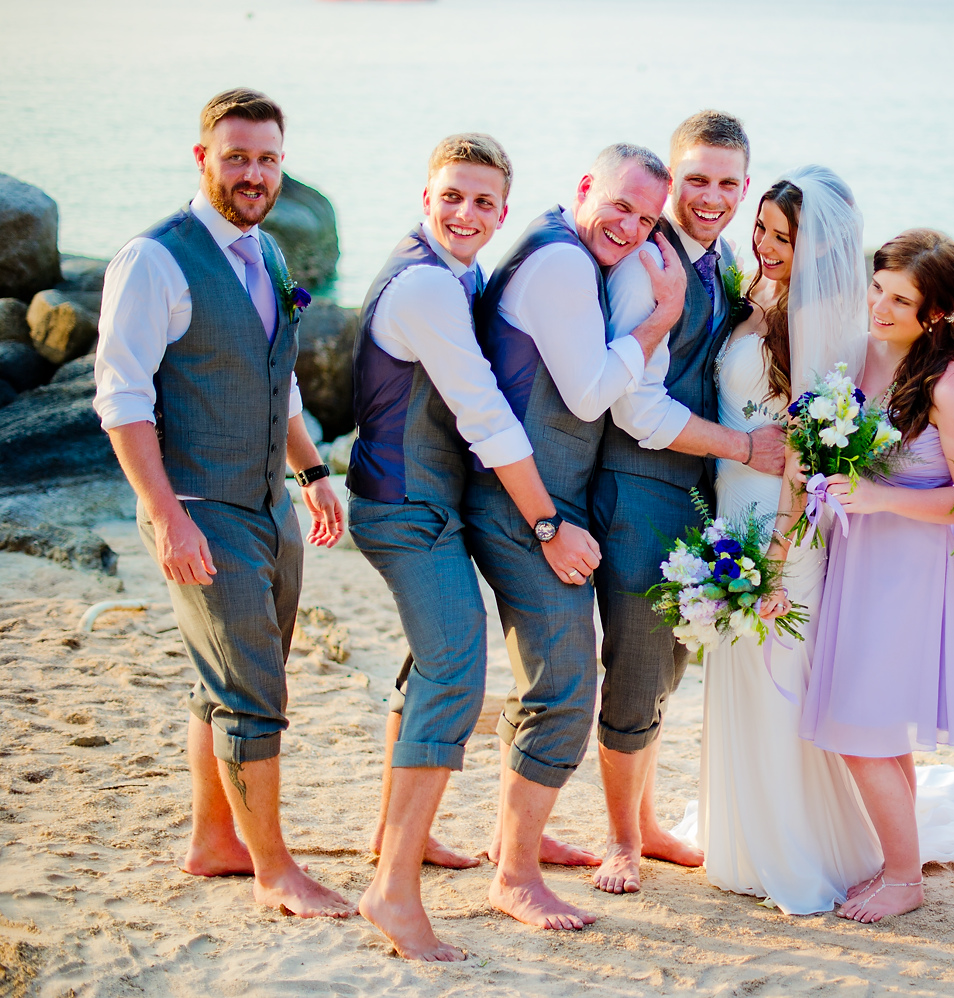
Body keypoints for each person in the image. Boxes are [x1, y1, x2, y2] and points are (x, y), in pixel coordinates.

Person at [93, 88, 351, 918]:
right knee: (252, 691)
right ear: (202, 158)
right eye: (236, 157)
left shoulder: (267, 253)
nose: (253, 174)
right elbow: (122, 398)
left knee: (231, 681)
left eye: (268, 159)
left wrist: (312, 473)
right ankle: (276, 870)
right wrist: (167, 516)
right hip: (199, 504)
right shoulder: (154, 259)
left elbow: (279, 383)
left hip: (269, 504)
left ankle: (214, 841)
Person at [348, 134, 594, 959]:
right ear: (426, 196)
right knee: (456, 669)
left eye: (484, 201)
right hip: (405, 509)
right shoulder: (426, 284)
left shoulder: (462, 274)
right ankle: (392, 892)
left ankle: (399, 839)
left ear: (503, 211)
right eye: (452, 195)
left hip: (425, 503)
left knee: (433, 662)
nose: (466, 212)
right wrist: (549, 524)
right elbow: (485, 415)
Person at [466, 143, 686, 929]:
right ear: (586, 186)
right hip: (527, 507)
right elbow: (591, 395)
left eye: (647, 219)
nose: (629, 227)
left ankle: (512, 842)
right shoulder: (562, 262)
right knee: (563, 686)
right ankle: (515, 877)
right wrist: (661, 319)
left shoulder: (563, 247)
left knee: (545, 680)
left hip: (538, 500)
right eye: (619, 205)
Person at [681, 167, 882, 914]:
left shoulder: (817, 323)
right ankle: (742, 837)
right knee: (740, 672)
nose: (764, 246)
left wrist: (776, 551)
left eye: (782, 238)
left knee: (776, 679)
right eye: (761, 228)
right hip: (732, 506)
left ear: (816, 248)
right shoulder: (755, 295)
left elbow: (807, 452)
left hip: (780, 526)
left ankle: (793, 847)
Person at [596, 111, 785, 895]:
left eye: (727, 183)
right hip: (638, 488)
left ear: (745, 186)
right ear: (672, 180)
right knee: (637, 669)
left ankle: (643, 822)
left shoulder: (722, 260)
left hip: (696, 494)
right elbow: (633, 405)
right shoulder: (646, 265)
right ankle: (620, 842)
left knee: (671, 663)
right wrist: (742, 448)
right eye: (697, 180)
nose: (712, 197)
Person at [798, 229, 954, 923]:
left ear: (934, 313)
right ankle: (897, 864)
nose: (879, 306)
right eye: (876, 289)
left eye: (900, 300)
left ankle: (906, 879)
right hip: (857, 559)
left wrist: (881, 498)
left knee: (859, 726)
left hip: (907, 567)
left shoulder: (948, 383)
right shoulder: (865, 354)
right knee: (877, 728)